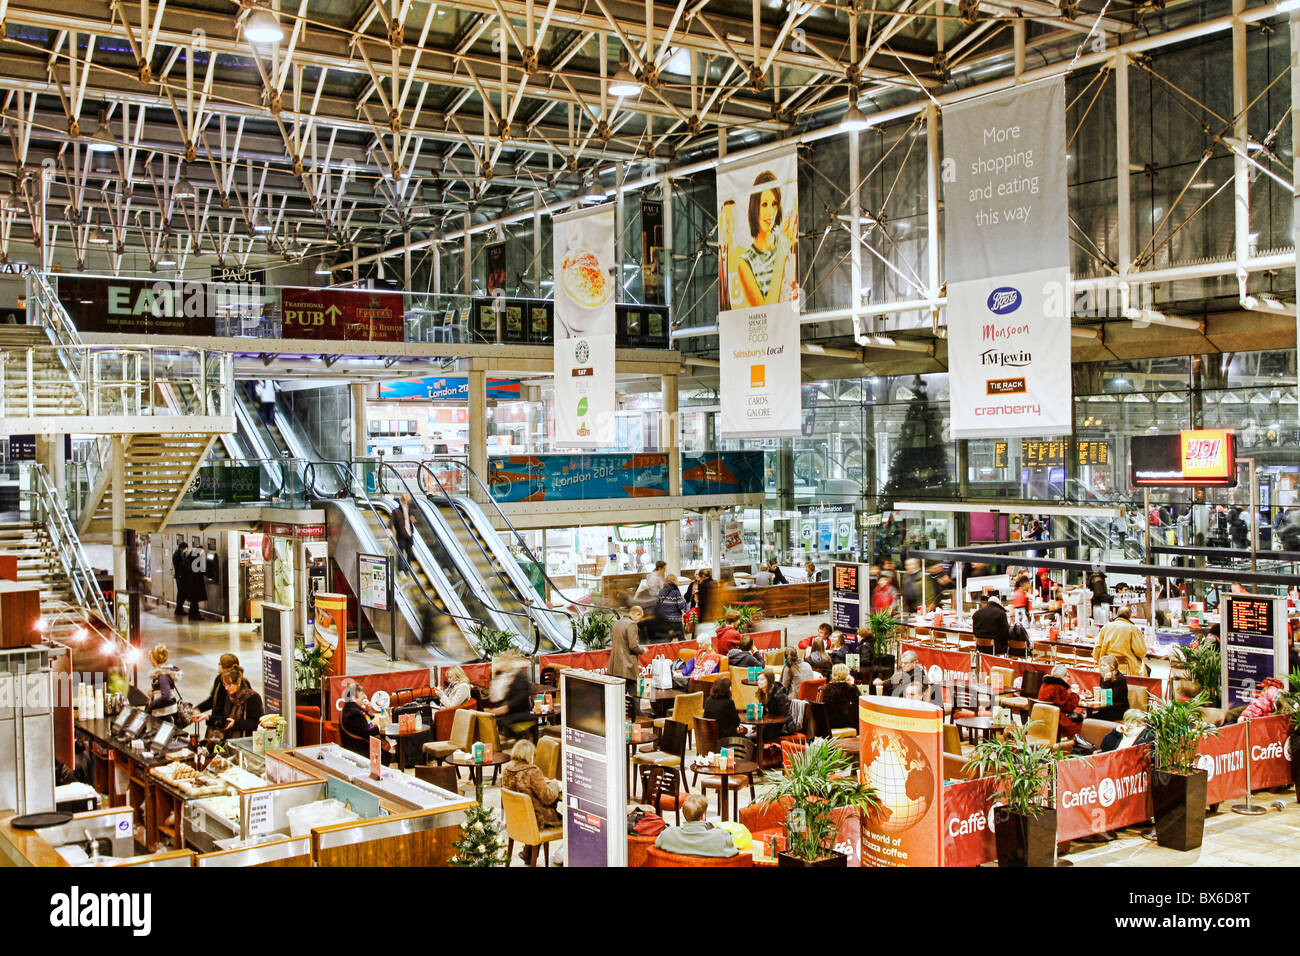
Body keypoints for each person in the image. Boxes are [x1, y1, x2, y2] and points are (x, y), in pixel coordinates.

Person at [737, 170, 797, 308]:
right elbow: (766, 313)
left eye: (774, 203)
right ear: (754, 207)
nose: (770, 212)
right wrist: (781, 254)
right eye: (764, 204)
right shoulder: (745, 263)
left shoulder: (787, 242)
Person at [501, 739, 562, 864]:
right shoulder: (532, 771)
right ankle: (564, 860)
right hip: (537, 820)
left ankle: (528, 852)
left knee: (532, 811)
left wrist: (542, 782)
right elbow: (548, 797)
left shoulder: (507, 769)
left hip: (516, 821)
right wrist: (555, 784)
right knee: (570, 822)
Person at [654, 793, 738, 859]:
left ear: (685, 814)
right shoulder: (720, 837)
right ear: (703, 816)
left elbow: (656, 844)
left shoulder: (668, 835)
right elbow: (734, 851)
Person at [1093, 606, 1148, 676]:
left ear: (1117, 614)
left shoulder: (1106, 627)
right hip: (1127, 669)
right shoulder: (1133, 629)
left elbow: (1097, 648)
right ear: (1130, 616)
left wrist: (1100, 663)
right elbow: (1141, 652)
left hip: (1107, 668)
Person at [339, 682, 387, 759]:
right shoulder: (354, 714)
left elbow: (369, 724)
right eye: (362, 696)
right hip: (359, 751)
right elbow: (369, 733)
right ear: (354, 698)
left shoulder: (350, 709)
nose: (364, 697)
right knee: (387, 751)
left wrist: (369, 711)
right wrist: (380, 728)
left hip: (354, 747)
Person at [490, 657, 535, 740]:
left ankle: (521, 740)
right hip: (513, 712)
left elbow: (521, 698)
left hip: (521, 714)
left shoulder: (519, 677)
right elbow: (496, 696)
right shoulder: (509, 677)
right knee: (499, 721)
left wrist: (506, 708)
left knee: (505, 722)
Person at [608, 601, 646, 695]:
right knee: (638, 693)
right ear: (637, 614)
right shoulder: (631, 624)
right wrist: (643, 650)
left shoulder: (617, 623)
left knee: (620, 695)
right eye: (640, 618)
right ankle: (637, 710)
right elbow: (633, 646)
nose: (639, 621)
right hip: (627, 665)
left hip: (616, 665)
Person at [218, 665, 265, 738]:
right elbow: (225, 718)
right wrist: (208, 717)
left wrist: (236, 724)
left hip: (247, 741)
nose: (226, 688)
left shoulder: (252, 697)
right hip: (231, 740)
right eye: (225, 685)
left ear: (239, 681)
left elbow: (257, 722)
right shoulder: (230, 697)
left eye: (230, 685)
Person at [194, 653, 238, 730]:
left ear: (226, 668)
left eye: (220, 663)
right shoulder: (218, 679)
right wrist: (198, 709)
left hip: (225, 725)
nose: (218, 664)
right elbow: (212, 700)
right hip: (215, 721)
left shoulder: (233, 686)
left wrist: (209, 718)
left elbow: (227, 712)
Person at [1036, 664, 1082, 738]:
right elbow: (1069, 707)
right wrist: (1075, 694)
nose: (1068, 679)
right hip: (1054, 717)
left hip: (1042, 714)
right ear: (1063, 676)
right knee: (1080, 724)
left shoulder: (1045, 684)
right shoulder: (1058, 687)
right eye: (1067, 676)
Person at [146, 645, 184, 724]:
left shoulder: (162, 676)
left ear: (154, 659)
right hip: (165, 714)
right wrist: (154, 694)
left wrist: (151, 704)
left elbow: (166, 696)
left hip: (164, 715)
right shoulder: (163, 674)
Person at [753, 670, 796, 738]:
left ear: (769, 680)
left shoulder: (779, 694)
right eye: (758, 679)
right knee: (752, 735)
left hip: (784, 727)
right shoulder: (762, 692)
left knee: (756, 737)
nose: (759, 682)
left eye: (762, 679)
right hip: (771, 724)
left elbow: (784, 716)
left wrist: (768, 721)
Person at [821, 664, 859, 730]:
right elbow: (859, 702)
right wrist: (852, 683)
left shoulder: (825, 688)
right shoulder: (851, 688)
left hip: (829, 724)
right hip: (847, 723)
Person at [652, 572, 686, 643]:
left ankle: (664, 653)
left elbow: (658, 604)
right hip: (675, 620)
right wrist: (683, 599)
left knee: (667, 640)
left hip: (665, 620)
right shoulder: (676, 592)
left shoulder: (661, 591)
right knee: (681, 639)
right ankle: (684, 652)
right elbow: (681, 605)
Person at [1096, 655, 1129, 722]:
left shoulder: (1121, 679)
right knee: (1088, 715)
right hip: (1106, 707)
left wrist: (1106, 682)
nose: (1102, 667)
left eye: (1104, 665)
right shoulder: (1103, 676)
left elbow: (1112, 697)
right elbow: (1103, 693)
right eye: (1101, 665)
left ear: (1112, 667)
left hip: (1118, 709)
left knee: (1097, 717)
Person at [390, 493, 415, 569]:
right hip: (401, 535)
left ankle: (408, 569)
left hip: (409, 534)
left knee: (409, 552)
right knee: (401, 553)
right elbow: (391, 521)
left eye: (408, 501)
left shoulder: (410, 510)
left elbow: (413, 519)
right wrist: (389, 529)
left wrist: (413, 519)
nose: (407, 503)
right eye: (406, 501)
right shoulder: (396, 511)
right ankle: (401, 569)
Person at [171, 540, 188, 618]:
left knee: (180, 593)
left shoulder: (178, 553)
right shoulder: (178, 555)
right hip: (180, 577)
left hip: (179, 576)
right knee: (183, 593)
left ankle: (179, 609)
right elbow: (181, 566)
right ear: (182, 548)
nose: (185, 551)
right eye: (185, 549)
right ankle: (178, 609)